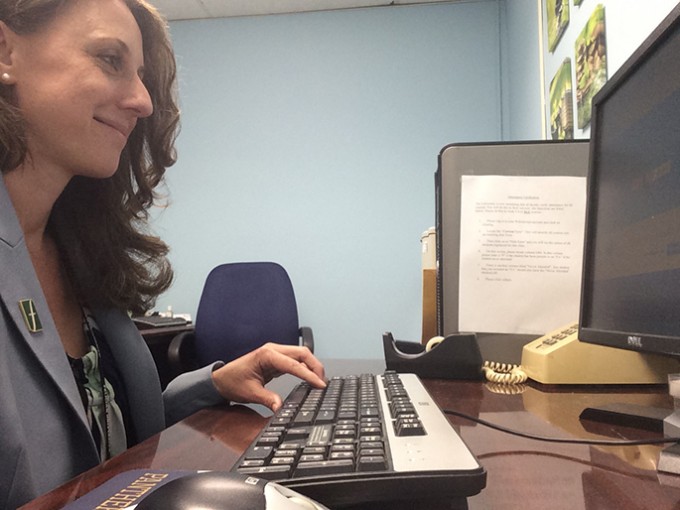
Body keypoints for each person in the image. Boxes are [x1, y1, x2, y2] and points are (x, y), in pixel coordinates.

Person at [0, 0, 326, 508]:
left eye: (142, 76)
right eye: (110, 59)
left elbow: (108, 433)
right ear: (6, 52)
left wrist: (213, 384)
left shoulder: (79, 247)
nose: (143, 101)